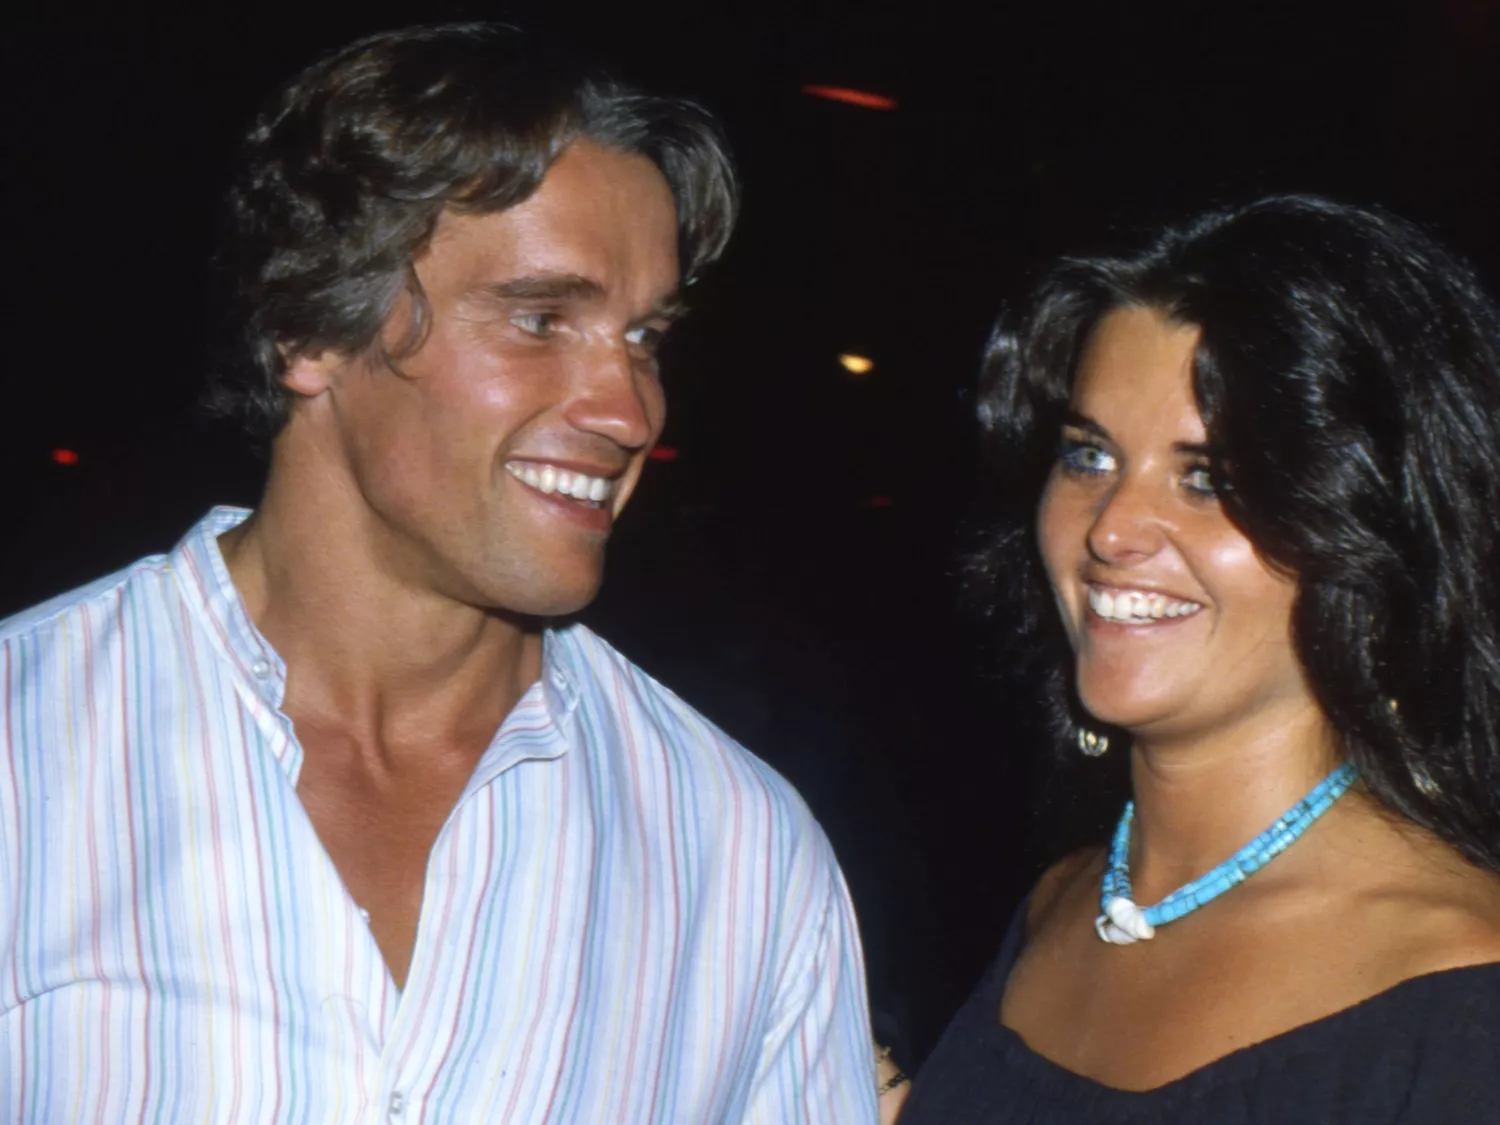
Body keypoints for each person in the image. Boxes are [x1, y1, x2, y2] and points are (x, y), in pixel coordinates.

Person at [0, 24, 878, 1123]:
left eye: (645, 335)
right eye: (540, 318)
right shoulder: (23, 758)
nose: (631, 409)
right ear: (309, 329)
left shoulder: (741, 856)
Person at [900, 195, 1500, 1123]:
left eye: (1208, 477)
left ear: (1370, 534)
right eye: (1090, 457)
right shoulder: (1058, 908)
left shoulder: (1458, 993)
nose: (1112, 530)